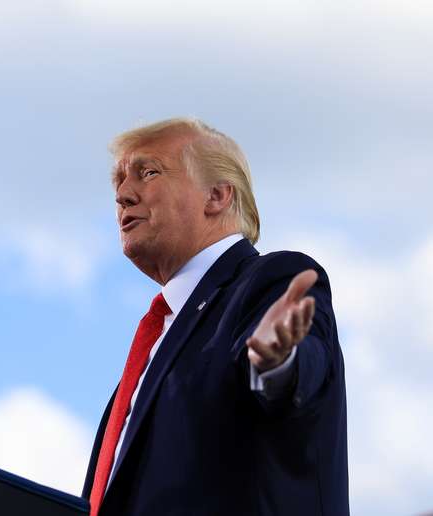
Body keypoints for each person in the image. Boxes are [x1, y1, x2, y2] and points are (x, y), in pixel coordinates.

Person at [82, 118, 348, 515]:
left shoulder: (271, 280)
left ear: (217, 195)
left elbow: (302, 368)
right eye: (118, 181)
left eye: (148, 172)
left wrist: (277, 363)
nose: (122, 195)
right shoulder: (155, 348)